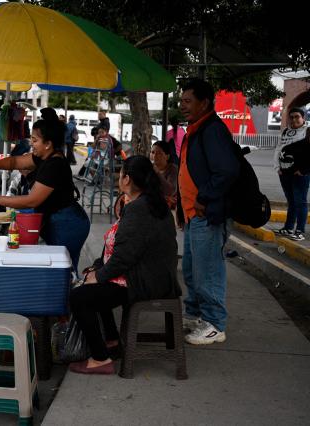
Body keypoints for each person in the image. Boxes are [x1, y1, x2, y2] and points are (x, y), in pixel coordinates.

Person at [68, 155, 180, 374]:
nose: (118, 178)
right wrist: (98, 267)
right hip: (144, 274)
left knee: (79, 297)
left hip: (145, 281)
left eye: (120, 174)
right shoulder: (146, 202)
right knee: (91, 282)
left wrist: (99, 276)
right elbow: (119, 248)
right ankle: (111, 341)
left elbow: (124, 257)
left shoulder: (140, 209)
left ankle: (100, 359)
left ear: (127, 179)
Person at [0, 107, 90, 274]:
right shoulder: (43, 156)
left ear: (48, 144)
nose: (31, 144)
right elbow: (15, 162)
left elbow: (32, 200)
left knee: (65, 270)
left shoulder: (55, 165)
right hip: (56, 219)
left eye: (35, 140)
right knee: (59, 268)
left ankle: (68, 299)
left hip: (69, 223)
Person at [177, 78, 240, 345]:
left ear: (204, 103)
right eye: (181, 101)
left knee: (208, 270)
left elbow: (227, 170)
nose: (182, 106)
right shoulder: (196, 128)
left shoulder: (212, 129)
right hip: (193, 214)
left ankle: (215, 323)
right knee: (192, 269)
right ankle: (196, 315)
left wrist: (204, 197)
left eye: (188, 101)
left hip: (207, 214)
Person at [273, 107, 310, 241]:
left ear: (303, 118)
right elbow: (278, 149)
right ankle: (288, 228)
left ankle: (299, 231)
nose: (294, 119)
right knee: (292, 202)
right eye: (291, 117)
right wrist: (277, 167)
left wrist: (304, 170)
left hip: (300, 175)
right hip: (284, 173)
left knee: (300, 202)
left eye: (297, 117)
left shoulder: (308, 131)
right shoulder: (285, 132)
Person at [151, 141, 178, 209]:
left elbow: (170, 191)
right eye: (152, 152)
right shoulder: (149, 168)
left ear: (167, 156)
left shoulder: (173, 169)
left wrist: (157, 173)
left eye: (159, 153)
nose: (154, 156)